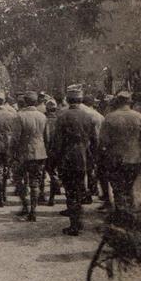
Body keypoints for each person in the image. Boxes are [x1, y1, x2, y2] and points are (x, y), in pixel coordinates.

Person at [50, 86, 98, 235]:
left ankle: (74, 225)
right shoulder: (89, 116)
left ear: (69, 100)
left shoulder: (62, 116)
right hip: (83, 157)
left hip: (67, 158)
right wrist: (93, 158)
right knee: (79, 189)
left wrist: (53, 162)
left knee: (70, 192)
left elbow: (57, 142)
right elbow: (94, 140)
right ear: (80, 99)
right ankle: (79, 220)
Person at [98, 90, 141, 216]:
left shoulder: (110, 118)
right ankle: (130, 213)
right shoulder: (140, 117)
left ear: (117, 102)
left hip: (115, 159)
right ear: (130, 102)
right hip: (135, 159)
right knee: (129, 186)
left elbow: (103, 141)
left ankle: (121, 215)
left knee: (118, 188)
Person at [12, 91, 47, 221]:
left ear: (25, 102)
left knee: (18, 179)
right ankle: (33, 211)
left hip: (24, 152)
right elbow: (46, 136)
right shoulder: (42, 116)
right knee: (35, 182)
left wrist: (12, 153)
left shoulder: (19, 116)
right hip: (39, 152)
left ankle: (25, 206)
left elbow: (15, 138)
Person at [43, 98, 61, 206]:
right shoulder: (60, 120)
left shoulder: (43, 119)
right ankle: (52, 197)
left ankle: (41, 194)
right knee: (54, 173)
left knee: (41, 174)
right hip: (56, 150)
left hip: (44, 149)